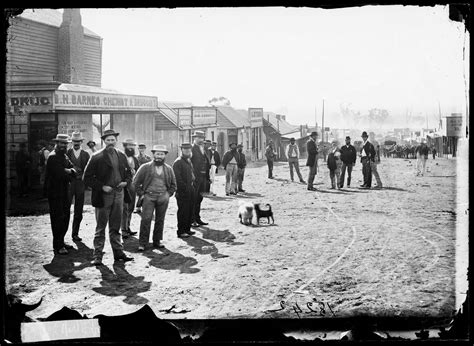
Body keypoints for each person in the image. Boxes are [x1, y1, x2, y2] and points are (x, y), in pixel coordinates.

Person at [83, 129, 134, 265]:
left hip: (119, 194)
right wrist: (102, 187)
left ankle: (118, 253)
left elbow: (129, 174)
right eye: (108, 140)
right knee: (100, 228)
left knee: (116, 226)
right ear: (104, 141)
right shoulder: (96, 156)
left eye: (113, 140)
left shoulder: (121, 155)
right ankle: (97, 256)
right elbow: (87, 178)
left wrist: (126, 182)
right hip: (104, 196)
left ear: (116, 141)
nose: (110, 142)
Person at [133, 145, 177, 251]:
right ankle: (143, 243)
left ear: (165, 156)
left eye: (161, 154)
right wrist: (142, 194)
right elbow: (135, 182)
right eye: (157, 154)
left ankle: (157, 241)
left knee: (160, 220)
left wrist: (167, 194)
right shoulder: (145, 167)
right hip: (149, 197)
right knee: (146, 219)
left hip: (163, 197)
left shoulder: (168, 169)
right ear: (153, 154)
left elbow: (173, 185)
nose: (159, 156)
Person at [45, 134, 76, 255]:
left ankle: (62, 241)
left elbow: (73, 169)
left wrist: (69, 170)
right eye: (61, 143)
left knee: (65, 217)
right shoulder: (52, 157)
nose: (64, 145)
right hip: (55, 192)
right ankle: (57, 245)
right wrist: (68, 171)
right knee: (57, 218)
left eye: (65, 143)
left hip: (64, 191)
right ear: (56, 144)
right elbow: (60, 174)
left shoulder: (64, 155)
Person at [66, 131, 90, 242]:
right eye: (74, 141)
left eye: (78, 141)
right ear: (72, 141)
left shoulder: (85, 154)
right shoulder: (66, 152)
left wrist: (84, 178)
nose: (76, 143)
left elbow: (88, 170)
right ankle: (62, 236)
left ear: (81, 142)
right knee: (65, 209)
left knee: (78, 210)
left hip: (80, 184)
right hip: (69, 184)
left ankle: (75, 234)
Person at [172, 143, 196, 239]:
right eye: (185, 150)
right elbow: (177, 179)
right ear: (181, 150)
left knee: (190, 210)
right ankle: (181, 231)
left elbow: (191, 174)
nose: (187, 151)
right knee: (183, 211)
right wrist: (185, 188)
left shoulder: (188, 161)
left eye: (189, 150)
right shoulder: (178, 162)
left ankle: (187, 229)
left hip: (190, 189)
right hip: (182, 191)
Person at [190, 131, 210, 227]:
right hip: (195, 178)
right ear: (194, 138)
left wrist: (207, 177)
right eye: (198, 138)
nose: (201, 139)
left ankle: (197, 218)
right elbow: (189, 164)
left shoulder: (202, 148)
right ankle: (192, 220)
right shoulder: (191, 148)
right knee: (193, 199)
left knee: (199, 198)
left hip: (203, 177)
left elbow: (206, 162)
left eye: (202, 138)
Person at [121, 138, 140, 239]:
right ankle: (123, 230)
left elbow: (139, 170)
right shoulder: (121, 157)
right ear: (125, 146)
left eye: (133, 145)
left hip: (133, 185)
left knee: (131, 207)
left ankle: (128, 227)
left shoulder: (135, 159)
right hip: (124, 185)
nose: (131, 147)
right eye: (129, 145)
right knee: (124, 208)